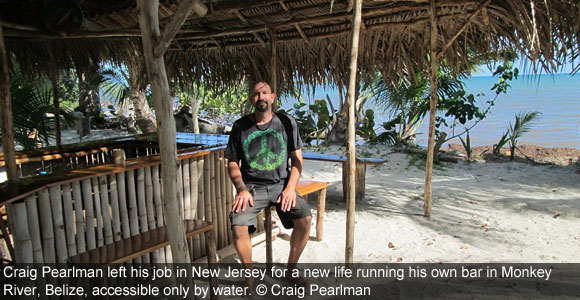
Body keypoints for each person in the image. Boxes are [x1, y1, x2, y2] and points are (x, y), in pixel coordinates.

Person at [225, 81, 312, 285]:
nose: (261, 97)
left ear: (272, 97)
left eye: (265, 93)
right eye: (256, 94)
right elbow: (232, 163)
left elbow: (297, 160)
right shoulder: (240, 126)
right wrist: (241, 189)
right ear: (251, 99)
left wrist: (290, 188)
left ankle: (290, 270)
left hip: (281, 184)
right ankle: (250, 276)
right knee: (238, 225)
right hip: (252, 188)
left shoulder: (286, 122)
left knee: (305, 220)